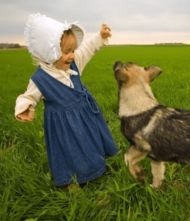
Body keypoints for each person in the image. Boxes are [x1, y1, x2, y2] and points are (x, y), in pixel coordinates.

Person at [15, 13, 117, 187]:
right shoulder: (40, 79)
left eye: (73, 50)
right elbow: (29, 96)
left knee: (90, 141)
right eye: (66, 52)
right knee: (70, 151)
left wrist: (100, 36)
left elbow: (88, 49)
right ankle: (72, 180)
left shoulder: (74, 63)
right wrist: (25, 107)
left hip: (85, 116)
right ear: (50, 52)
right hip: (63, 126)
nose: (71, 55)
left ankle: (96, 167)